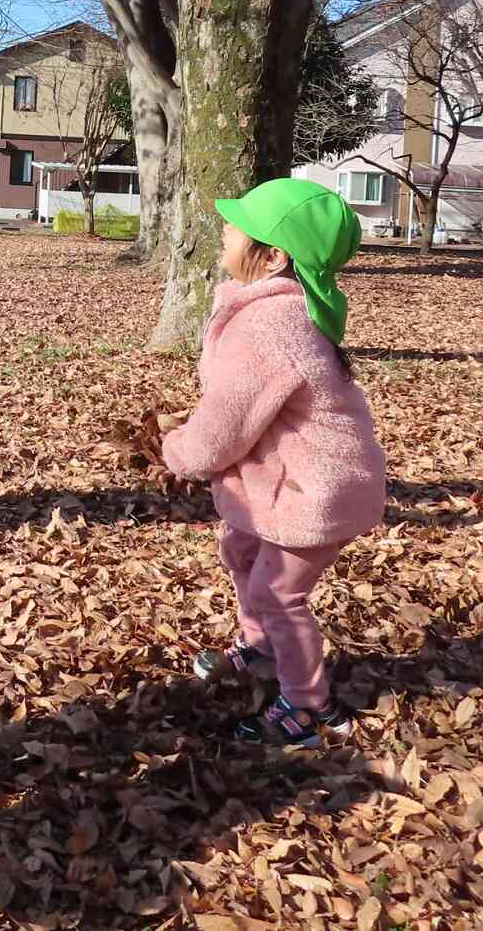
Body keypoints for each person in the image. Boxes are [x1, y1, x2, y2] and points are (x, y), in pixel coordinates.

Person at [160, 178, 386, 749]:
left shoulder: (270, 326)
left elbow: (225, 427)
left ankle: (309, 706)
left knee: (279, 594)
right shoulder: (276, 309)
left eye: (240, 226)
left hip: (315, 491)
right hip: (287, 480)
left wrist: (179, 452)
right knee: (240, 551)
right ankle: (261, 647)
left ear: (274, 257)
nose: (226, 230)